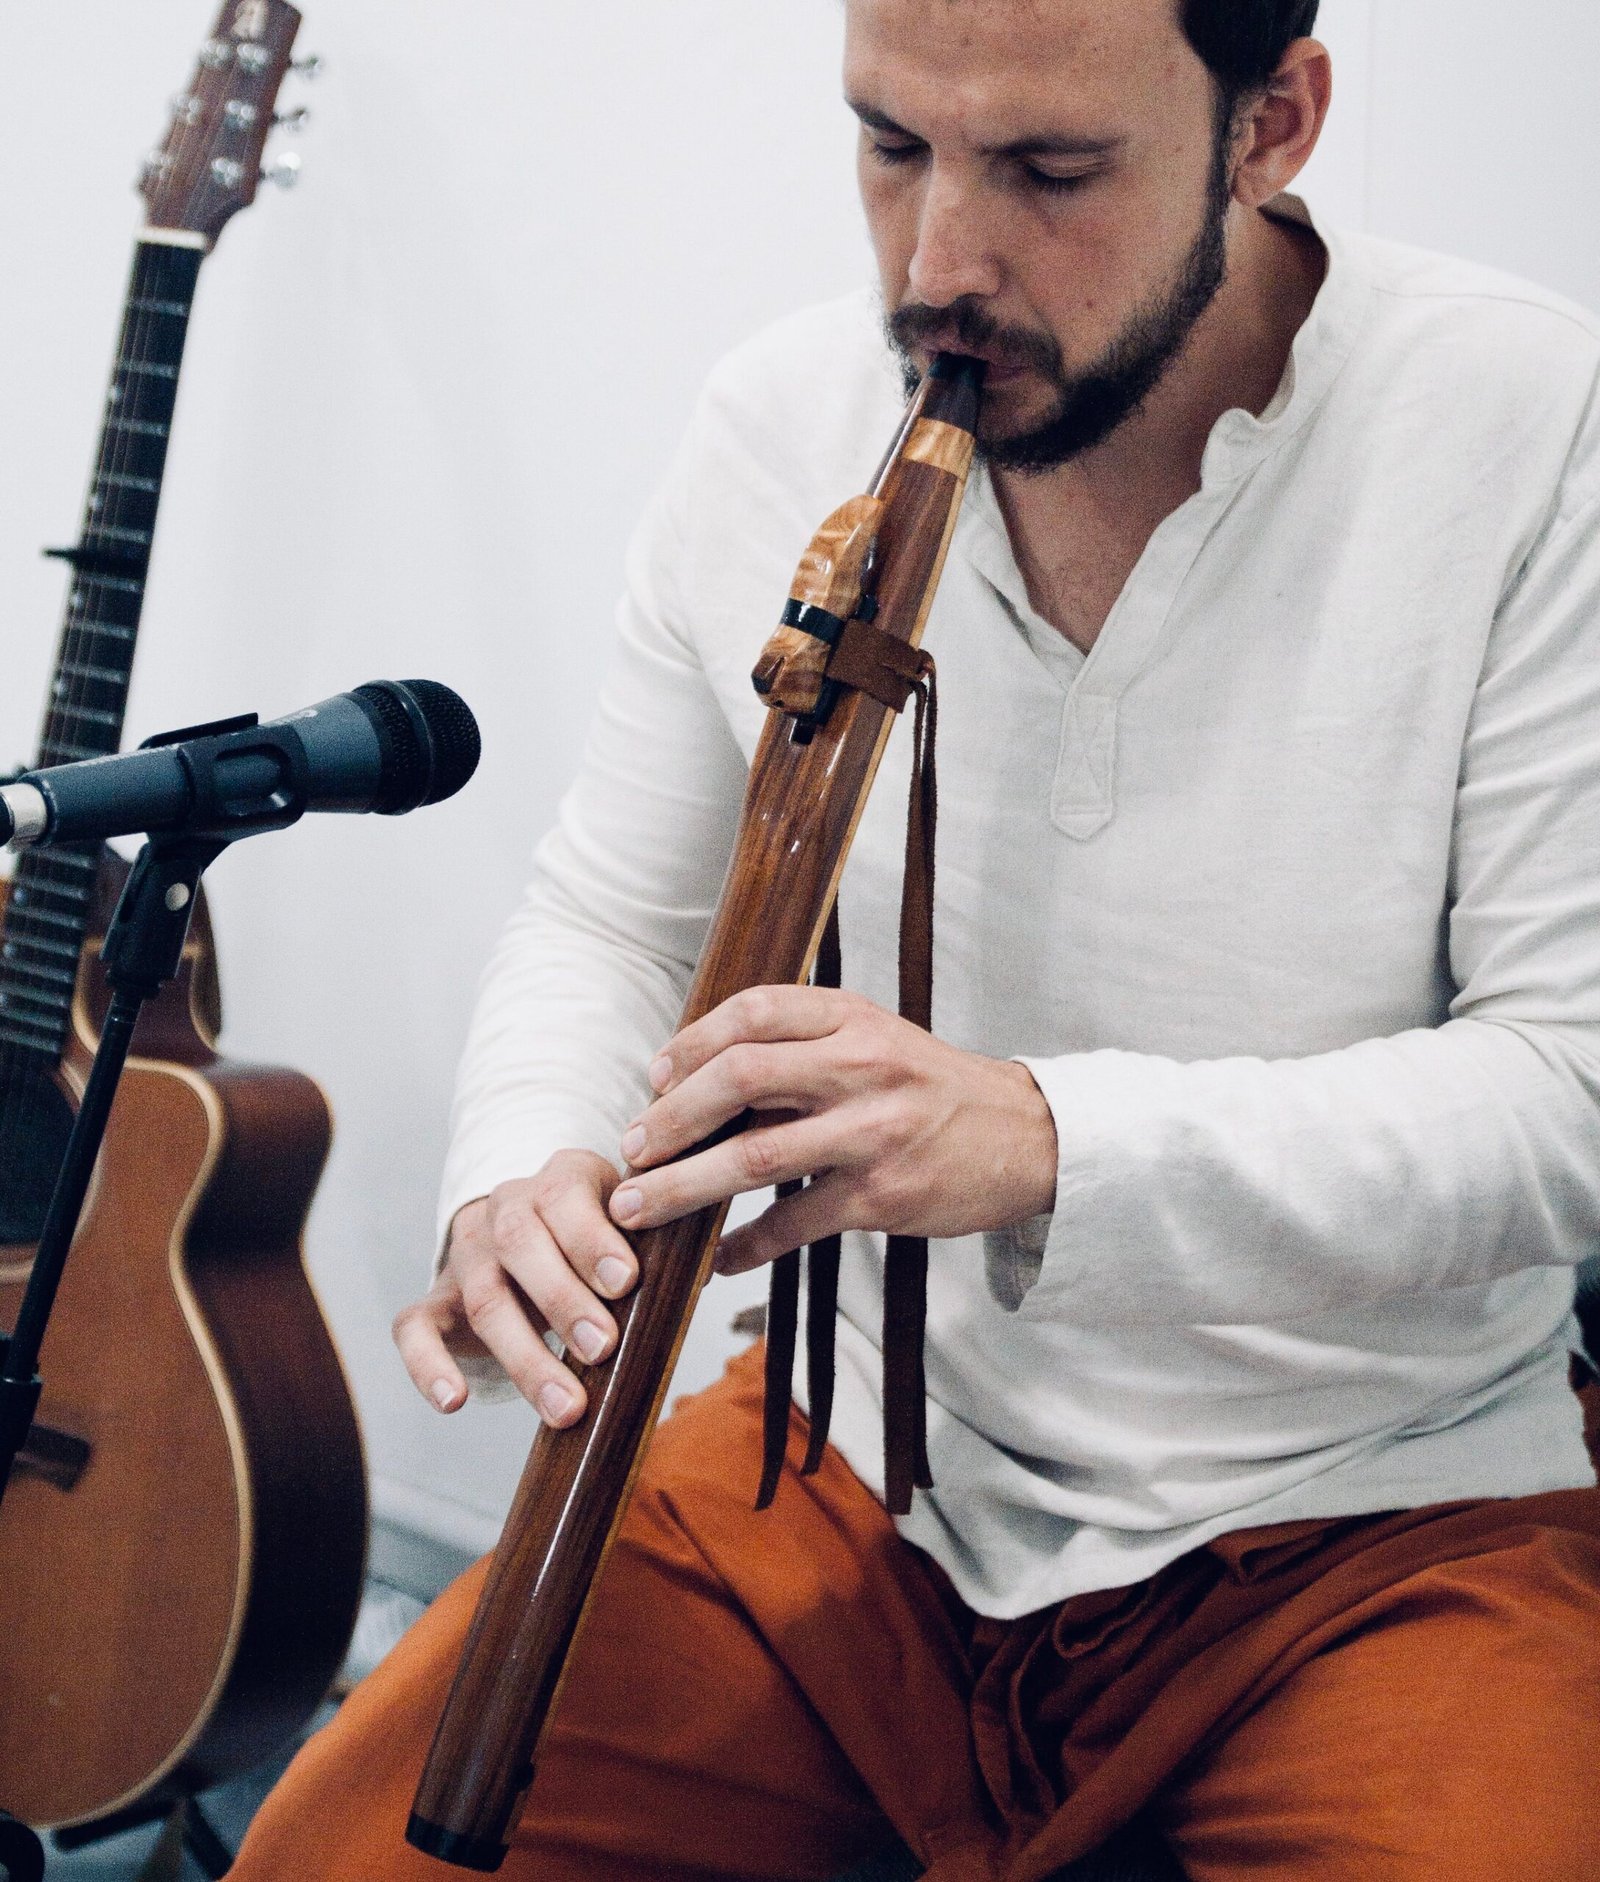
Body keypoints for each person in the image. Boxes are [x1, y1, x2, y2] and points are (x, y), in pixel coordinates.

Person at [231, 1, 1600, 1877]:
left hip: (1372, 1517)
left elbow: (1571, 1088)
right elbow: (611, 916)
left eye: (1050, 171)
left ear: (1273, 122)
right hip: (850, 1462)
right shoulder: (778, 418)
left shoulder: (1532, 423)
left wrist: (1040, 1138)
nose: (941, 266)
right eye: (892, 145)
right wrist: (521, 1170)